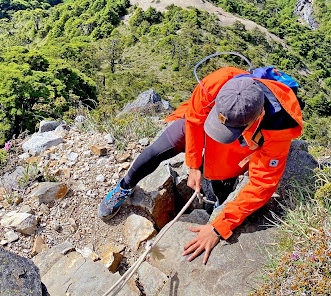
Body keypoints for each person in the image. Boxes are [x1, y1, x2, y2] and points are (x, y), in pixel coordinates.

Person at [98, 65, 303, 264]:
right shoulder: (218, 82)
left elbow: (262, 184)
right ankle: (124, 186)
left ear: (257, 118)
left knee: (221, 175)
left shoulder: (278, 130)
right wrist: (193, 164)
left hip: (243, 145)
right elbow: (195, 119)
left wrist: (218, 228)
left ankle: (215, 202)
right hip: (209, 121)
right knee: (156, 150)